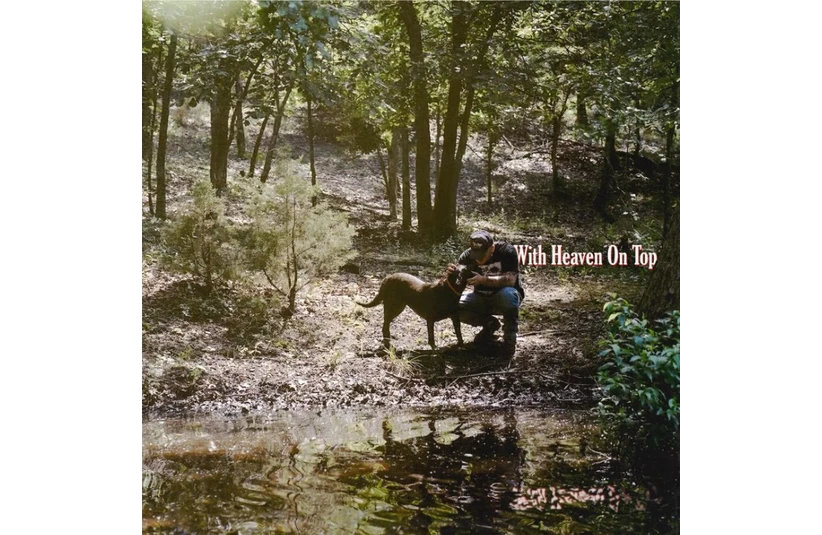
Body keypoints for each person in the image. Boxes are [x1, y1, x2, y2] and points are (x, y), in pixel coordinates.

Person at [447, 230, 525, 355]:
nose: (478, 259)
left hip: (504, 297)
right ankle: (489, 325)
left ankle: (509, 339)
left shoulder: (506, 252)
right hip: (480, 298)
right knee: (452, 305)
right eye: (475, 254)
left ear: (492, 248)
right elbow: (457, 283)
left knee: (508, 294)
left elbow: (511, 280)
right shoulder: (466, 257)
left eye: (482, 255)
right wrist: (451, 276)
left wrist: (484, 280)